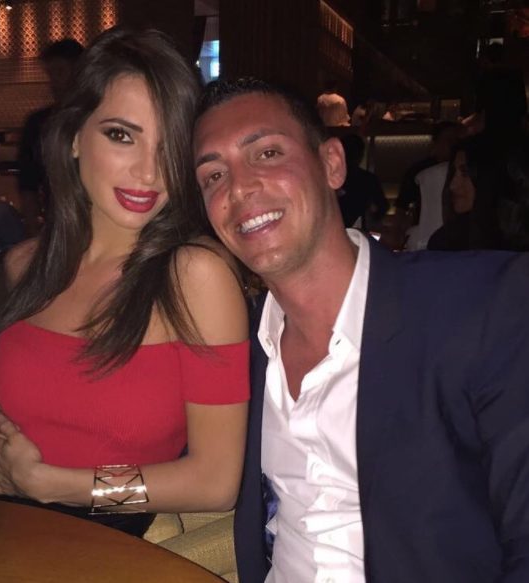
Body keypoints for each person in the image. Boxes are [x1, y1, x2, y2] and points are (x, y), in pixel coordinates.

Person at [193, 77, 529, 583]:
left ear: (332, 163)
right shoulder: (237, 343)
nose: (238, 188)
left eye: (266, 153)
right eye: (213, 176)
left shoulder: (482, 305)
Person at [0, 27, 249, 538]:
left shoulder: (195, 277)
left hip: (92, 541)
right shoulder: (26, 265)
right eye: (122, 135)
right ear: (75, 136)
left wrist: (58, 484)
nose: (148, 172)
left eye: (170, 146)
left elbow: (215, 483)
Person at [17, 38, 84, 234]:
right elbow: (27, 182)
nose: (54, 82)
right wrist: (32, 224)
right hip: (57, 222)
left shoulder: (99, 118)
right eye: (50, 74)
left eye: (60, 72)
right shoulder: (38, 123)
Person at [427, 135, 501, 251]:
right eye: (453, 173)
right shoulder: (443, 241)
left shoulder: (516, 242)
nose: (452, 185)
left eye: (465, 173)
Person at [338, 133, 388, 230]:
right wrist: (372, 218)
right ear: (361, 155)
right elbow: (383, 206)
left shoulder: (331, 177)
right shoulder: (368, 179)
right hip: (359, 229)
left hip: (335, 228)